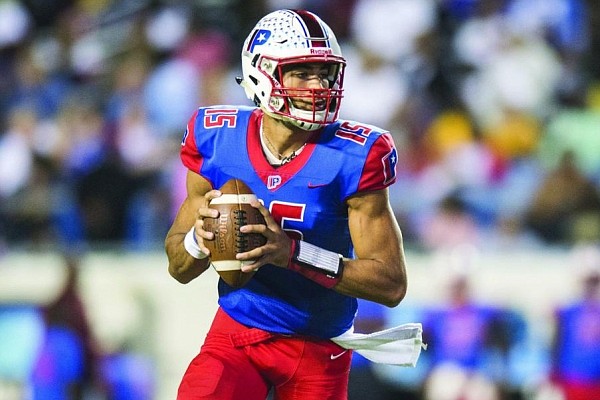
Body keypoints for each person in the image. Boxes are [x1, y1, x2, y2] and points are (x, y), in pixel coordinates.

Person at [165, 9, 417, 400]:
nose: (318, 85)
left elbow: (390, 283)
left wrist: (293, 254)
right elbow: (178, 268)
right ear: (261, 75)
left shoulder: (354, 155)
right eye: (302, 72)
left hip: (318, 347)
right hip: (238, 333)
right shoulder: (217, 139)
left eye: (325, 72)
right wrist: (200, 241)